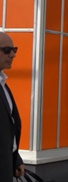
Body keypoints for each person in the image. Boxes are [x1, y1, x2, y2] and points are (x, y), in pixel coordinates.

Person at [0, 32, 24, 181]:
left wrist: (16, 159)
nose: (13, 55)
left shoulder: (3, 84)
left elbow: (6, 130)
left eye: (14, 49)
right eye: (7, 50)